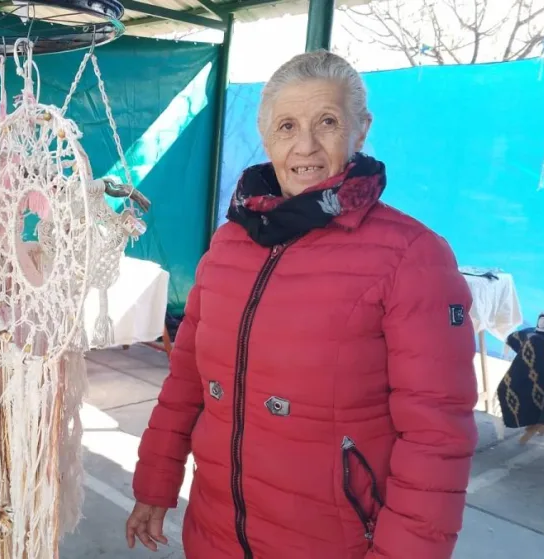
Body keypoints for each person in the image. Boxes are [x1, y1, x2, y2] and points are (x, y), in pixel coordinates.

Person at [127, 51, 477, 559]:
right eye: (287, 126)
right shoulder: (229, 245)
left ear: (360, 129)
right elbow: (186, 383)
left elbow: (436, 436)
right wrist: (154, 485)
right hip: (215, 536)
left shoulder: (412, 256)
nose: (305, 146)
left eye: (328, 122)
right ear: (266, 137)